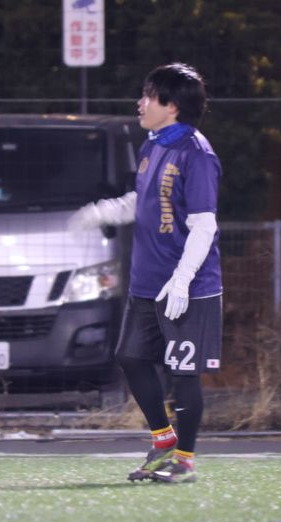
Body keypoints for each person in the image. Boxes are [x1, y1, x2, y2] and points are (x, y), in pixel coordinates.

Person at [69, 62, 223, 483]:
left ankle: (185, 461)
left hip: (188, 286)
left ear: (172, 106)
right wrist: (105, 211)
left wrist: (183, 279)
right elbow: (147, 200)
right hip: (147, 282)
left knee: (183, 373)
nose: (140, 103)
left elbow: (204, 225)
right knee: (131, 357)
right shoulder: (152, 145)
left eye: (149, 96)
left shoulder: (197, 153)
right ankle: (164, 441)